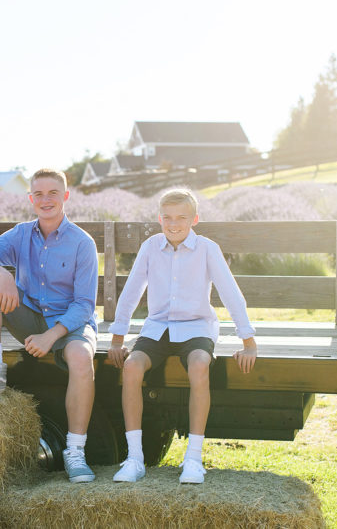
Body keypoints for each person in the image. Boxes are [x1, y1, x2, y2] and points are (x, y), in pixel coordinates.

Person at [107, 188, 257, 484]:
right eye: (167, 218)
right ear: (159, 218)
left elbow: (230, 293)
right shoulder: (151, 247)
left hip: (197, 326)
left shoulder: (207, 249)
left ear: (194, 219)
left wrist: (248, 342)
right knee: (132, 366)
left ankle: (193, 458)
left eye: (182, 218)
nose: (174, 224)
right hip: (158, 326)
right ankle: (135, 457)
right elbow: (132, 290)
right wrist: (117, 337)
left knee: (200, 363)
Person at [0, 169, 99, 483]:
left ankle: (75, 451)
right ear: (30, 198)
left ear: (65, 196)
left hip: (70, 326)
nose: (45, 200)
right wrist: (4, 275)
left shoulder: (82, 242)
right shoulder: (21, 233)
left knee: (81, 358)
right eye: (39, 194)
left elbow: (84, 305)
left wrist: (52, 335)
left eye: (53, 193)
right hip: (30, 319)